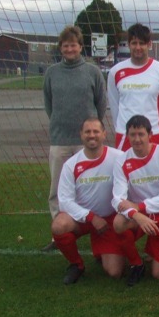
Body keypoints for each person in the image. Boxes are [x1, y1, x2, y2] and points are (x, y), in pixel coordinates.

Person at [43, 25, 107, 251]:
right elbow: (49, 104)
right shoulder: (52, 73)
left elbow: (100, 103)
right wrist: (61, 123)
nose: (70, 49)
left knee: (89, 188)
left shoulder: (92, 72)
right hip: (60, 140)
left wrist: (89, 131)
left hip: (86, 143)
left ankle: (92, 230)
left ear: (81, 46)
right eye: (66, 45)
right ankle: (58, 234)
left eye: (74, 45)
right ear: (61, 48)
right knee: (57, 189)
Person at [51, 118, 138, 284]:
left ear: (104, 134)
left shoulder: (118, 157)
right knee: (59, 225)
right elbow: (65, 202)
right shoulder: (71, 165)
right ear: (81, 135)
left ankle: (108, 248)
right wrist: (91, 217)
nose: (92, 135)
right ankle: (76, 264)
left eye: (96, 131)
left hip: (111, 220)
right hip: (85, 219)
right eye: (88, 132)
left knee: (115, 272)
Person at [112, 115, 159, 286]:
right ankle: (137, 264)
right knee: (119, 223)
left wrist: (140, 206)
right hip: (139, 215)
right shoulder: (122, 160)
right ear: (127, 136)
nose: (137, 139)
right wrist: (137, 214)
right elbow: (117, 199)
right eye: (133, 135)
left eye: (141, 134)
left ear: (150, 135)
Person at [107, 23, 159, 151]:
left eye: (142, 43)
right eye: (134, 43)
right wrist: (123, 128)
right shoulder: (115, 72)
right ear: (128, 44)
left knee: (154, 172)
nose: (138, 47)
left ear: (149, 44)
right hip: (125, 136)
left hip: (154, 134)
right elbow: (114, 106)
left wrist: (156, 127)